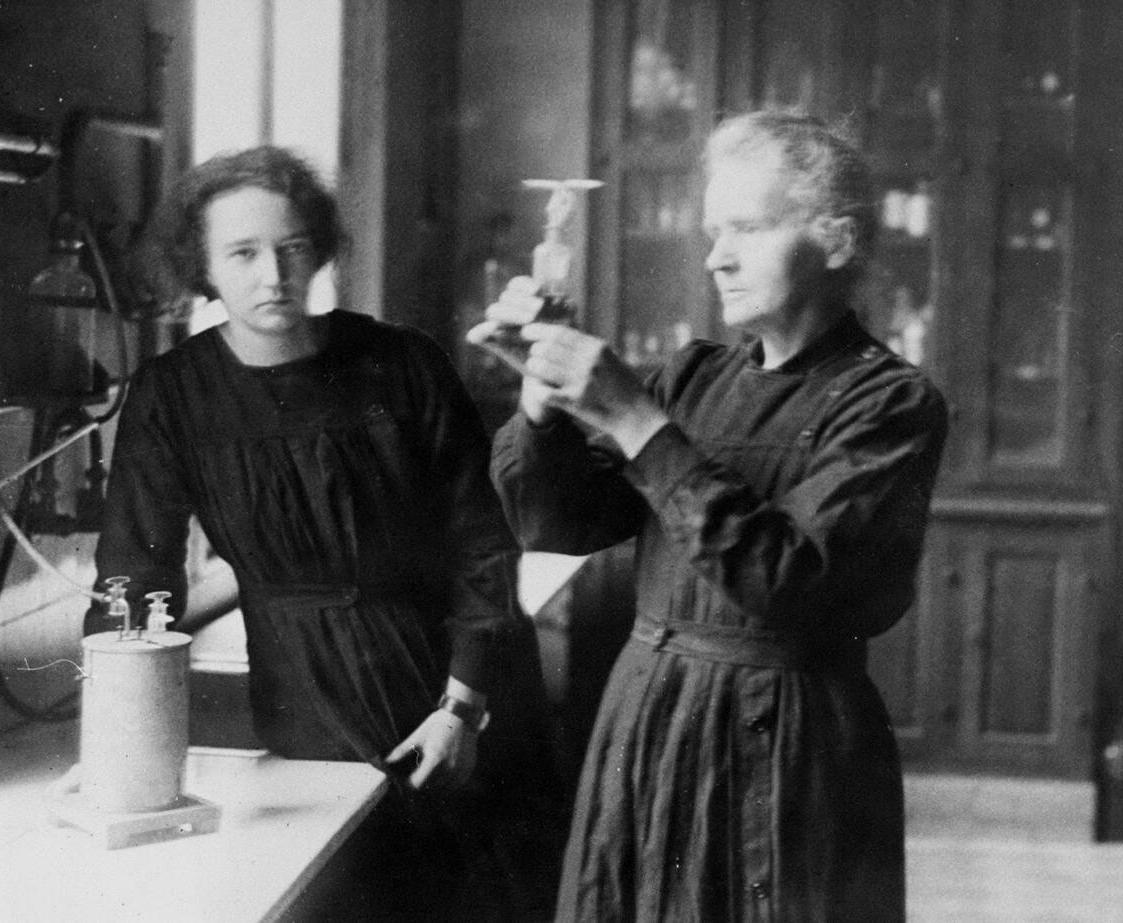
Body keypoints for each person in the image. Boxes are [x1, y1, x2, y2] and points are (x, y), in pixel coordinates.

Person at [468, 110, 949, 921]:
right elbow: (556, 523)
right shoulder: (692, 375)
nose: (716, 256)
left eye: (748, 229)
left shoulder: (891, 401)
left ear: (835, 242)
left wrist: (632, 422)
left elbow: (793, 578)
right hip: (652, 713)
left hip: (789, 739)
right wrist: (541, 403)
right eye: (711, 230)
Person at [88, 145, 563, 920]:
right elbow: (134, 577)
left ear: (319, 251)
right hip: (306, 704)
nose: (271, 275)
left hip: (455, 681)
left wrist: (464, 706)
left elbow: (483, 541)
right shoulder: (172, 396)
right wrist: (110, 738)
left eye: (292, 247)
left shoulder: (403, 364)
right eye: (242, 253)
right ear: (202, 266)